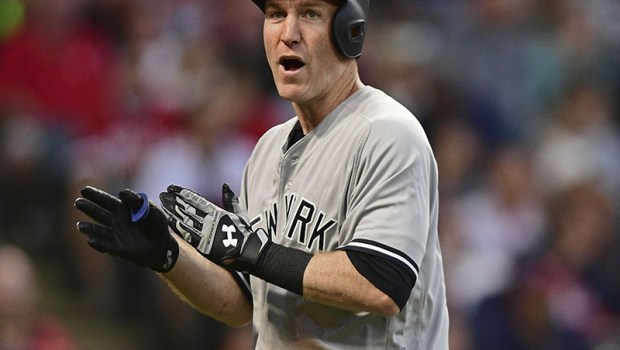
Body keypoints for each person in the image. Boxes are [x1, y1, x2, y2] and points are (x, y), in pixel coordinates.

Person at [74, 0, 450, 348]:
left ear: (351, 30)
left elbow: (380, 282)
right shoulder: (267, 150)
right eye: (275, 14)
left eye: (310, 14)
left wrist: (254, 251)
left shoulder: (387, 132)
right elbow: (238, 303)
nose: (288, 33)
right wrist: (169, 254)